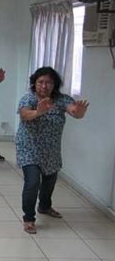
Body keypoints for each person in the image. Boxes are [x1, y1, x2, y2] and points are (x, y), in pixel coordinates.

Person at [15, 67, 89, 234]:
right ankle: (28, 218)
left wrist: (79, 113)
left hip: (51, 150)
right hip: (29, 147)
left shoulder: (61, 99)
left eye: (48, 82)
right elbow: (25, 115)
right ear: (34, 83)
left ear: (55, 84)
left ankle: (44, 206)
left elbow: (74, 111)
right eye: (40, 82)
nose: (44, 86)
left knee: (49, 182)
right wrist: (38, 112)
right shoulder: (28, 98)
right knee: (33, 182)